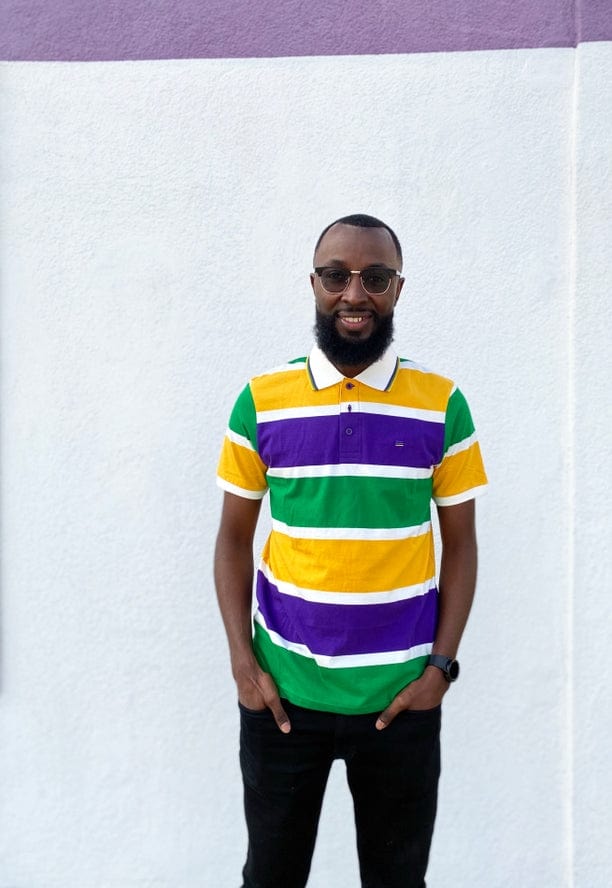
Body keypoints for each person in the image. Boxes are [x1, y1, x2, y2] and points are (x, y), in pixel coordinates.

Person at [214, 214, 488, 888]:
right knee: (269, 879)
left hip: (400, 700)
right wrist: (244, 664)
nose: (354, 294)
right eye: (336, 276)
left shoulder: (442, 403)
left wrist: (440, 669)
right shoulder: (261, 401)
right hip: (283, 698)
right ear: (314, 283)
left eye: (376, 277)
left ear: (398, 288)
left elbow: (461, 545)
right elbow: (232, 538)